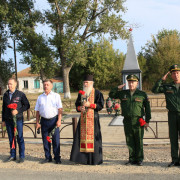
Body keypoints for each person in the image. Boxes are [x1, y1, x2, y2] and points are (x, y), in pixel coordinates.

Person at [109, 74, 151, 166]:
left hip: (138, 121)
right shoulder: (123, 93)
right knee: (129, 140)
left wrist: (147, 121)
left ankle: (139, 159)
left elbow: (147, 108)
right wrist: (117, 88)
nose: (131, 84)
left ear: (137, 83)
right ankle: (132, 159)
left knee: (139, 140)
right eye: (129, 82)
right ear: (127, 83)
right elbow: (111, 95)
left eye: (133, 82)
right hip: (127, 120)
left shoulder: (142, 94)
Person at [70, 74, 104, 165]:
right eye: (84, 82)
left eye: (87, 82)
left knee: (94, 141)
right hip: (83, 120)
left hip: (93, 119)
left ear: (91, 83)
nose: (85, 84)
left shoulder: (97, 93)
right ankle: (82, 160)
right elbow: (77, 104)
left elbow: (100, 106)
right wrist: (79, 108)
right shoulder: (81, 93)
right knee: (80, 139)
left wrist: (90, 105)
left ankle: (94, 160)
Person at [152, 64, 180, 167]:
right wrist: (161, 80)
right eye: (173, 73)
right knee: (173, 138)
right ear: (171, 75)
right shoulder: (168, 86)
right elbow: (154, 90)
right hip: (172, 115)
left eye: (177, 73)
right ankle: (175, 160)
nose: (176, 75)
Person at [2, 78, 30, 163]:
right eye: (8, 84)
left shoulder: (20, 94)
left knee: (19, 137)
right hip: (8, 120)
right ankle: (13, 155)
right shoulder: (6, 94)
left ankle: (21, 156)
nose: (9, 85)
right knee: (11, 138)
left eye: (11, 84)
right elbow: (3, 108)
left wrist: (18, 110)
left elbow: (27, 105)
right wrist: (3, 120)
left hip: (18, 119)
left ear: (15, 84)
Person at [35, 79, 63, 164]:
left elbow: (60, 109)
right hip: (44, 121)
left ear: (51, 86)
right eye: (44, 85)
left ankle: (57, 157)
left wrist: (59, 120)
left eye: (47, 85)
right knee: (45, 140)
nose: (46, 86)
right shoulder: (40, 97)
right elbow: (37, 111)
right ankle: (48, 157)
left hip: (54, 120)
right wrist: (37, 122)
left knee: (55, 140)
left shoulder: (56, 96)